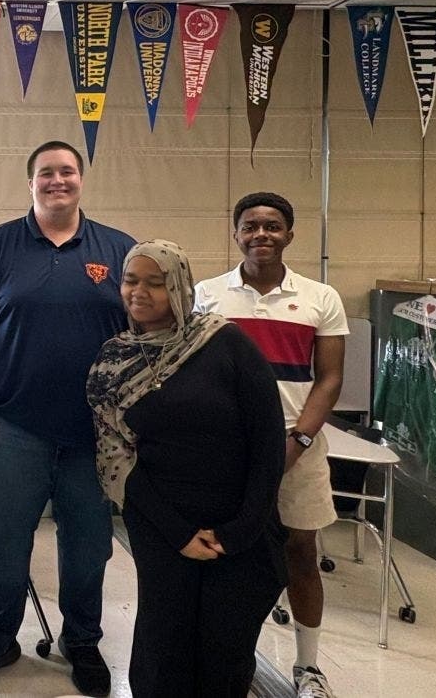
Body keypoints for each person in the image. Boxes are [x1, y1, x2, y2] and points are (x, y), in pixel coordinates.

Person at [0, 140, 134, 696]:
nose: (58, 180)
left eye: (67, 171)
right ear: (30, 182)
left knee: (89, 548)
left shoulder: (119, 249)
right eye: (47, 172)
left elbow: (144, 333)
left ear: (81, 178)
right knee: (4, 546)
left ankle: (81, 641)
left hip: (94, 434)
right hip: (12, 426)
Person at [87, 240, 287, 696]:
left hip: (239, 526)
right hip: (161, 525)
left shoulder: (226, 343)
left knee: (225, 651)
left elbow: (268, 442)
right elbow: (116, 459)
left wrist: (239, 532)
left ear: (180, 287)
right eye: (130, 280)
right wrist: (178, 533)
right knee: (163, 647)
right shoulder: (113, 362)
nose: (139, 292)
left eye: (155, 283)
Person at [194, 192, 348, 698]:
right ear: (236, 233)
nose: (261, 233)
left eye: (273, 225)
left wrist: (299, 439)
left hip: (297, 446)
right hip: (226, 451)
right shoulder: (206, 295)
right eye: (251, 225)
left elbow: (329, 379)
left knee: (300, 552)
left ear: (289, 234)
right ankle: (228, 663)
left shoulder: (321, 297)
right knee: (226, 554)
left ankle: (308, 668)